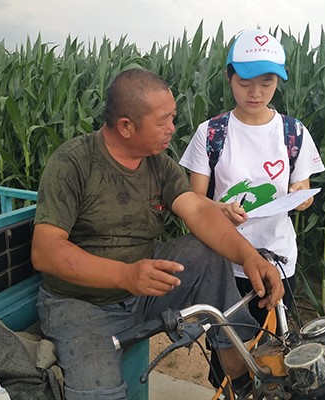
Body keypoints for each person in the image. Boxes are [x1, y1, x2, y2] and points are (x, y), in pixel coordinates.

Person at [31, 68, 284, 400]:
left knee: (207, 253)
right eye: (163, 121)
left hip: (143, 289)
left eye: (173, 117)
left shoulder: (158, 164)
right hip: (80, 304)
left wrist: (250, 257)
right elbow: (45, 252)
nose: (172, 128)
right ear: (126, 126)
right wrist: (125, 275)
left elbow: (198, 211)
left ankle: (240, 375)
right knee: (99, 391)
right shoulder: (74, 163)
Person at [180, 28, 325, 332]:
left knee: (272, 344)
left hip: (277, 260)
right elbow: (195, 201)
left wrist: (301, 196)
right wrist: (221, 209)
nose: (255, 93)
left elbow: (304, 190)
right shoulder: (211, 133)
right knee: (226, 346)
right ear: (229, 78)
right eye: (244, 83)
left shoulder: (293, 132)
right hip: (223, 262)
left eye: (266, 83)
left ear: (278, 82)